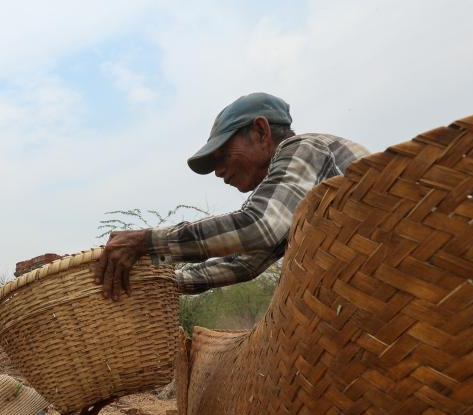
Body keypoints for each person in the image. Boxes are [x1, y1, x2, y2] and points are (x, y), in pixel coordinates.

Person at [95, 92, 370, 300]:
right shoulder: (289, 196)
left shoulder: (304, 148)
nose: (218, 172)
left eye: (223, 156)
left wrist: (145, 242)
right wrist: (157, 282)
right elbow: (244, 263)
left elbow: (256, 227)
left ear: (261, 132)